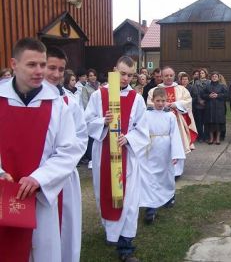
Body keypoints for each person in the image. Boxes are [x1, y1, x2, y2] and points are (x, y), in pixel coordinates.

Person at [0, 38, 82, 262]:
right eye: (31, 65)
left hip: (40, 196)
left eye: (42, 65)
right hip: (3, 193)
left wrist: (39, 178)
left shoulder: (57, 106)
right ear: (14, 64)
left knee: (42, 250)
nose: (39, 71)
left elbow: (69, 151)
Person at [84, 56, 149, 262]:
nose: (126, 79)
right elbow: (86, 121)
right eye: (122, 74)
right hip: (103, 152)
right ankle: (111, 232)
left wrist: (128, 138)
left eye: (130, 75)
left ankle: (126, 247)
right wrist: (103, 121)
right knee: (105, 194)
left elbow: (142, 127)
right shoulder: (98, 95)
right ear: (114, 70)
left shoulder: (136, 98)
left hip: (127, 156)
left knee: (128, 201)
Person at [45, 46, 88, 262]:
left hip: (65, 175)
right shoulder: (28, 101)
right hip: (36, 175)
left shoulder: (70, 102)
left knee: (66, 226)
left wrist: (63, 161)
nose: (56, 74)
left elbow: (81, 136)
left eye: (60, 70)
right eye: (50, 67)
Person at [139, 88, 185, 224]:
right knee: (150, 176)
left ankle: (169, 196)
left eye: (163, 101)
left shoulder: (170, 115)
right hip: (150, 148)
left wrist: (175, 153)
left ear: (167, 101)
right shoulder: (146, 114)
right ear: (152, 100)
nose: (160, 103)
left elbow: (175, 135)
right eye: (158, 101)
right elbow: (141, 131)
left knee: (166, 175)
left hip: (165, 148)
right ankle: (150, 207)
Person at [147, 66, 197, 177]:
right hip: (160, 125)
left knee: (177, 144)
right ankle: (161, 169)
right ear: (162, 77)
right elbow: (149, 104)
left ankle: (176, 172)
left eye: (171, 75)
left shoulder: (181, 89)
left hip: (178, 123)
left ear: (174, 76)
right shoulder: (154, 90)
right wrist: (163, 105)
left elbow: (188, 102)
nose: (169, 78)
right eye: (166, 75)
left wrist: (175, 104)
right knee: (161, 147)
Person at [202, 71, 228, 145]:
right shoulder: (207, 86)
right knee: (210, 123)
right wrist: (208, 96)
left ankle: (218, 138)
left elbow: (226, 95)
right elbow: (203, 95)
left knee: (218, 123)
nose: (214, 77)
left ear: (218, 77)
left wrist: (218, 95)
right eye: (213, 76)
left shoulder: (222, 86)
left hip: (219, 107)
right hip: (209, 107)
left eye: (216, 76)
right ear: (211, 77)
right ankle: (211, 138)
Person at [193, 68, 210, 142]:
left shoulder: (209, 82)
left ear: (206, 74)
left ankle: (206, 136)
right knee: (199, 122)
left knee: (206, 121)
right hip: (198, 105)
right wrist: (199, 100)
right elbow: (195, 92)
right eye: (200, 73)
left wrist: (205, 100)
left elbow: (210, 92)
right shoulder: (196, 82)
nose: (201, 74)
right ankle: (200, 136)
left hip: (207, 104)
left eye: (203, 73)